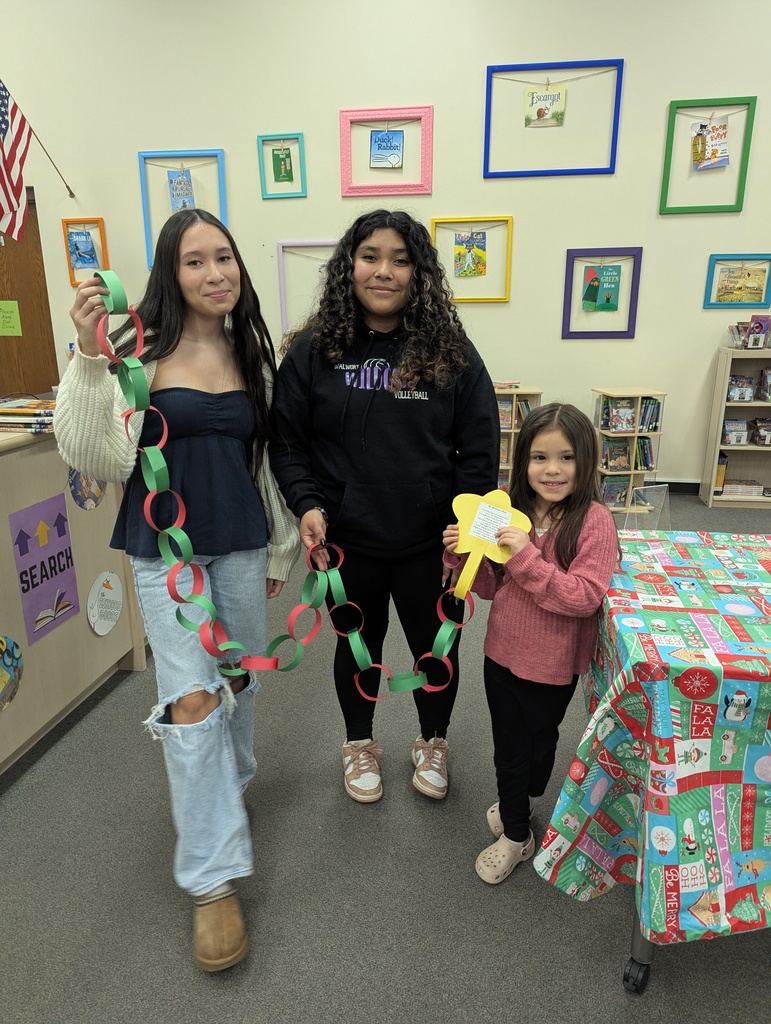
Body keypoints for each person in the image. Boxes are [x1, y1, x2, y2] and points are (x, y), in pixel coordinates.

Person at [54, 209, 299, 971]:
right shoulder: (137, 351)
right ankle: (211, 881)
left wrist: (282, 548)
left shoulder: (251, 353)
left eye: (224, 257)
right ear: (170, 272)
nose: (215, 273)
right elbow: (92, 455)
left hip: (242, 542)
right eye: (195, 261)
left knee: (236, 686)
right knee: (191, 701)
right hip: (167, 552)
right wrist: (88, 357)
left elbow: (268, 463)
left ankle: (222, 793)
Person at [269, 209, 499, 805]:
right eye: (370, 256)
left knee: (435, 647)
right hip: (346, 539)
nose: (384, 271)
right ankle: (358, 743)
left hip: (431, 542)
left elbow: (479, 449)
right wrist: (306, 504)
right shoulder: (313, 350)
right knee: (356, 645)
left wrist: (465, 532)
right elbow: (287, 443)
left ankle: (433, 740)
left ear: (418, 272)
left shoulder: (451, 351)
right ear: (349, 265)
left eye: (401, 260)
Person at [442, 403, 619, 884]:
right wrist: (462, 556)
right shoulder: (502, 508)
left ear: (586, 461)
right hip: (501, 654)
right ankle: (517, 835)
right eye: (540, 457)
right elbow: (489, 587)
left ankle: (520, 797)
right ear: (522, 461)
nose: (552, 470)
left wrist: (525, 554)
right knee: (510, 749)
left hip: (553, 666)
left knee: (541, 745)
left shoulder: (594, 521)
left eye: (566, 457)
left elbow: (583, 596)